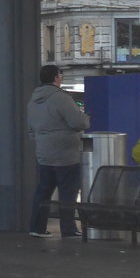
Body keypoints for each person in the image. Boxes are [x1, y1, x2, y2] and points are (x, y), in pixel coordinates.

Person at [27, 65, 90, 238]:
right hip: (65, 154)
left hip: (44, 153)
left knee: (43, 191)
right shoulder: (61, 98)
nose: (61, 78)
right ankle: (68, 229)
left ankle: (37, 227)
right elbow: (78, 122)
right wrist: (86, 119)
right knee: (68, 192)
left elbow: (31, 129)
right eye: (60, 75)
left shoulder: (33, 101)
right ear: (56, 78)